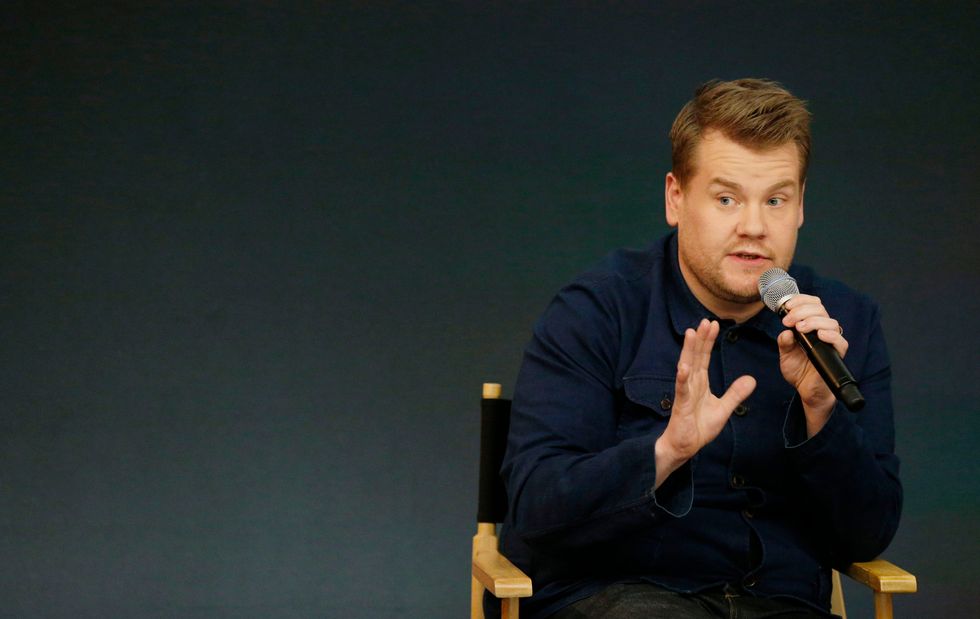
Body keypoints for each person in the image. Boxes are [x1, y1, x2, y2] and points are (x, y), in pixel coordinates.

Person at [492, 79, 902, 619]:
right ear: (676, 198)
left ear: (800, 206)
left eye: (775, 200)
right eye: (727, 198)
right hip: (621, 598)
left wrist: (822, 414)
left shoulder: (845, 325)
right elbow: (536, 509)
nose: (753, 227)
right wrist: (666, 453)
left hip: (779, 603)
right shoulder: (596, 311)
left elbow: (865, 537)